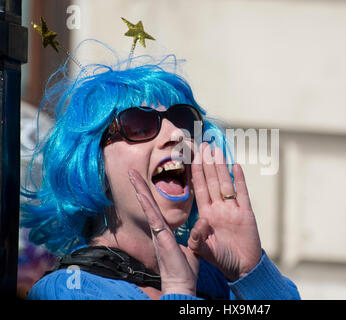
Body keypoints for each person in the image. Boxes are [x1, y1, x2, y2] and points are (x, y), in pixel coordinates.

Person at [21, 46, 300, 300]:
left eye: (184, 120)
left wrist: (250, 273)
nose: (177, 135)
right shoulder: (64, 291)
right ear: (94, 165)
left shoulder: (217, 280)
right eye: (139, 124)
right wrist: (179, 292)